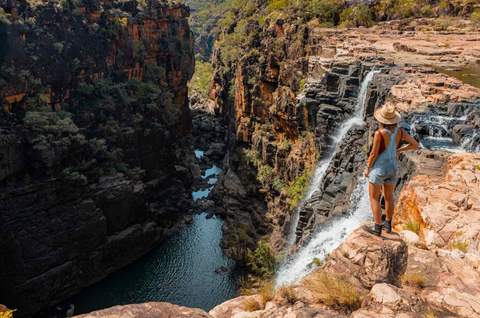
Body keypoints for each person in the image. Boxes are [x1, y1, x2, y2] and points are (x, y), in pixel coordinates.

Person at [364, 104, 419, 236]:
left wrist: (367, 168)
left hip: (379, 169)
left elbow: (374, 154)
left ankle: (377, 228)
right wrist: (400, 150)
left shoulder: (380, 133)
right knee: (389, 197)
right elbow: (415, 145)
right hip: (393, 168)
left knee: (374, 198)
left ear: (382, 120)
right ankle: (388, 225)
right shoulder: (400, 132)